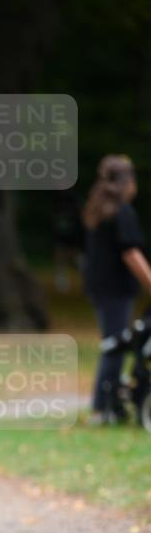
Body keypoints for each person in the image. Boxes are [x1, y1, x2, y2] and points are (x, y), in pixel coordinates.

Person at [82, 154, 151, 424]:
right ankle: (103, 408)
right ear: (127, 181)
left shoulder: (100, 209)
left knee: (115, 341)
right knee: (116, 344)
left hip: (101, 288)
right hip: (115, 289)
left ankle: (109, 404)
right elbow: (131, 253)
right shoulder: (121, 212)